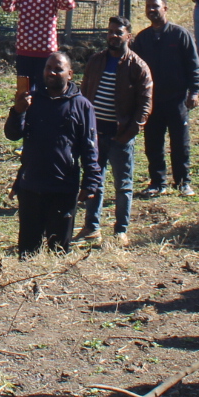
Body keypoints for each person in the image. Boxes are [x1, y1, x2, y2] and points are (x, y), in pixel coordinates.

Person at [4, 51, 100, 257]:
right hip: (31, 187)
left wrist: (91, 182)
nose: (52, 73)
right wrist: (18, 111)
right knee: (27, 252)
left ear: (70, 74)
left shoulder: (82, 105)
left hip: (63, 188)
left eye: (58, 69)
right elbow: (12, 135)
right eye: (48, 68)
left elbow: (90, 148)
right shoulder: (33, 100)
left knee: (58, 252)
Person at [77, 16, 153, 246]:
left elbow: (145, 103)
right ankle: (91, 228)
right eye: (110, 32)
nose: (113, 36)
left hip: (121, 135)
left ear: (128, 36)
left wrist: (131, 131)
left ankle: (121, 230)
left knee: (123, 185)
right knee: (94, 181)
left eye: (119, 32)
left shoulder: (137, 66)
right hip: (94, 134)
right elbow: (83, 93)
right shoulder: (96, 61)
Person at [132, 0, 199, 197]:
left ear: (165, 9)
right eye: (148, 7)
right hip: (152, 101)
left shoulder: (180, 35)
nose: (152, 10)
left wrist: (194, 91)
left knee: (180, 143)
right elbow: (134, 70)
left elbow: (194, 66)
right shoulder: (142, 39)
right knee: (153, 143)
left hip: (177, 98)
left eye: (156, 6)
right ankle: (157, 182)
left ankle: (183, 182)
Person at [1, 0, 77, 101]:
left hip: (46, 54)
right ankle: (25, 118)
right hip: (24, 53)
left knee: (45, 91)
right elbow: (6, 7)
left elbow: (69, 5)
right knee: (24, 91)